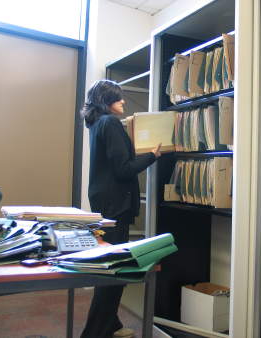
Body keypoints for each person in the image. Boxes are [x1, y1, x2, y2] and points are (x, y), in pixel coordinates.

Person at [80, 79, 161, 338]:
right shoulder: (110, 123)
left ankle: (111, 324)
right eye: (118, 98)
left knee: (110, 265)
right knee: (115, 271)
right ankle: (94, 333)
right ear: (106, 101)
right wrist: (152, 156)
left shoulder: (96, 123)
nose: (123, 101)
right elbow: (123, 169)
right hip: (116, 205)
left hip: (104, 203)